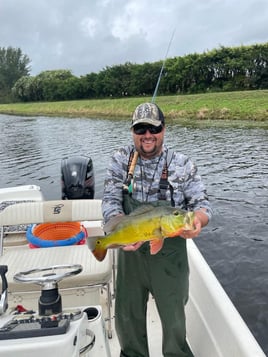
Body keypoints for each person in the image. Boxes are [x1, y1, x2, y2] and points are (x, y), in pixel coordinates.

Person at [102, 102, 212, 357]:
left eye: (154, 128)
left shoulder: (182, 164)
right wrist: (119, 231)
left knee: (174, 318)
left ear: (164, 129)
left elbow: (202, 206)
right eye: (140, 129)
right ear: (132, 132)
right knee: (128, 317)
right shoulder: (121, 159)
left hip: (170, 258)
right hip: (131, 253)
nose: (147, 135)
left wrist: (196, 222)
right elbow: (110, 200)